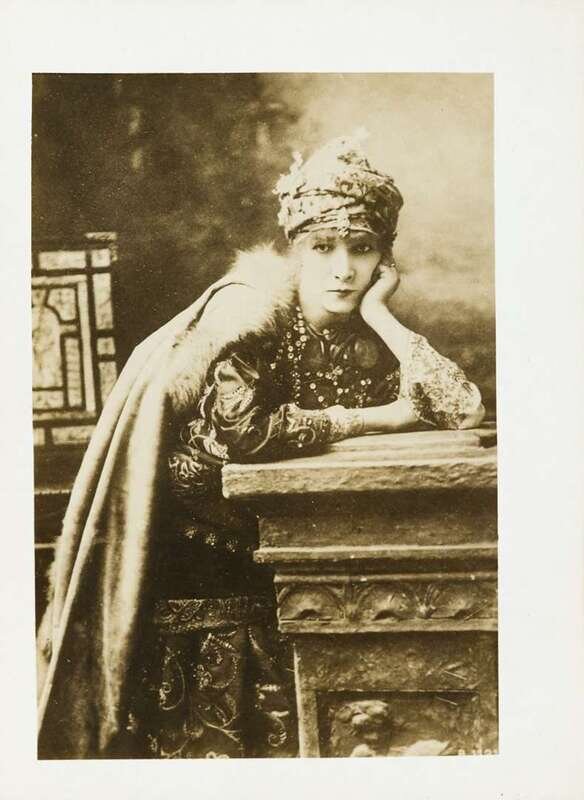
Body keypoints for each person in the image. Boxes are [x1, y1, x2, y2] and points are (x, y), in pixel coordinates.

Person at [37, 134, 485, 759]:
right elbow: (245, 432)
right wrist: (379, 419)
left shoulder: (367, 330)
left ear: (383, 259)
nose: (343, 269)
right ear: (295, 251)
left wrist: (383, 315)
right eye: (322, 248)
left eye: (362, 249)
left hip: (294, 546)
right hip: (204, 560)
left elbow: (462, 410)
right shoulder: (252, 311)